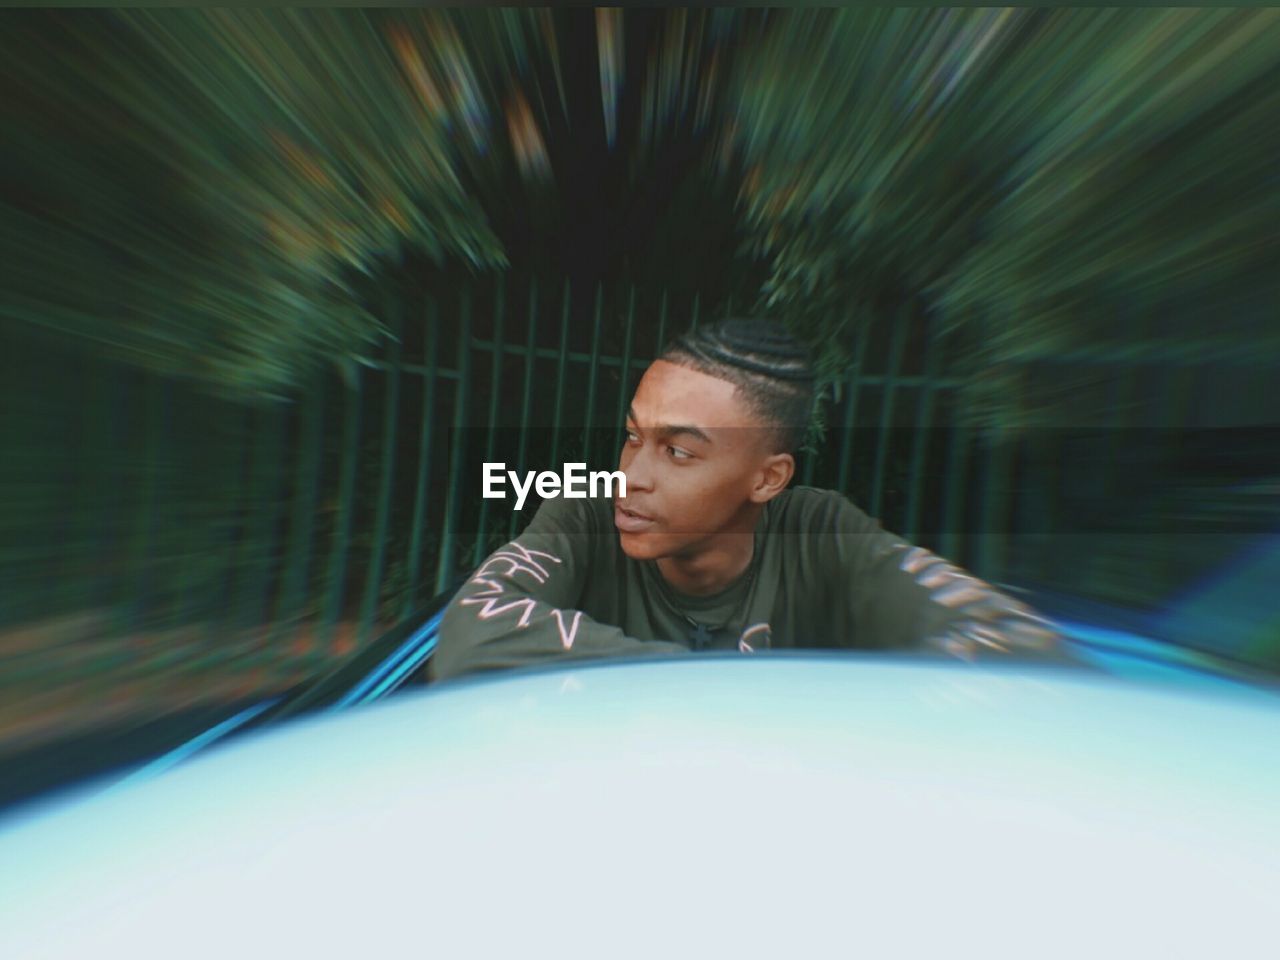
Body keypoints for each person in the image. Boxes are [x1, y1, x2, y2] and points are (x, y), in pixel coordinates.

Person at [430, 318, 1065, 682]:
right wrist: (731, 688)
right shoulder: (584, 512)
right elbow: (468, 636)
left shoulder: (821, 534)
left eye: (679, 452)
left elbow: (1020, 645)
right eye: (631, 438)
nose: (631, 476)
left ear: (767, 479)